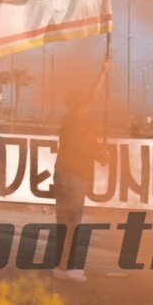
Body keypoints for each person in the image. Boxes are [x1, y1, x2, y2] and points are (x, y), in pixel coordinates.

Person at [52, 57, 111, 282]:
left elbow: (85, 148)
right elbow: (93, 97)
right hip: (70, 176)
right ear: (75, 104)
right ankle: (65, 268)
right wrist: (103, 72)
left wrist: (100, 155)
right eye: (81, 101)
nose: (87, 104)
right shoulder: (72, 120)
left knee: (70, 221)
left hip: (74, 175)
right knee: (70, 221)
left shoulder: (78, 123)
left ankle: (63, 265)